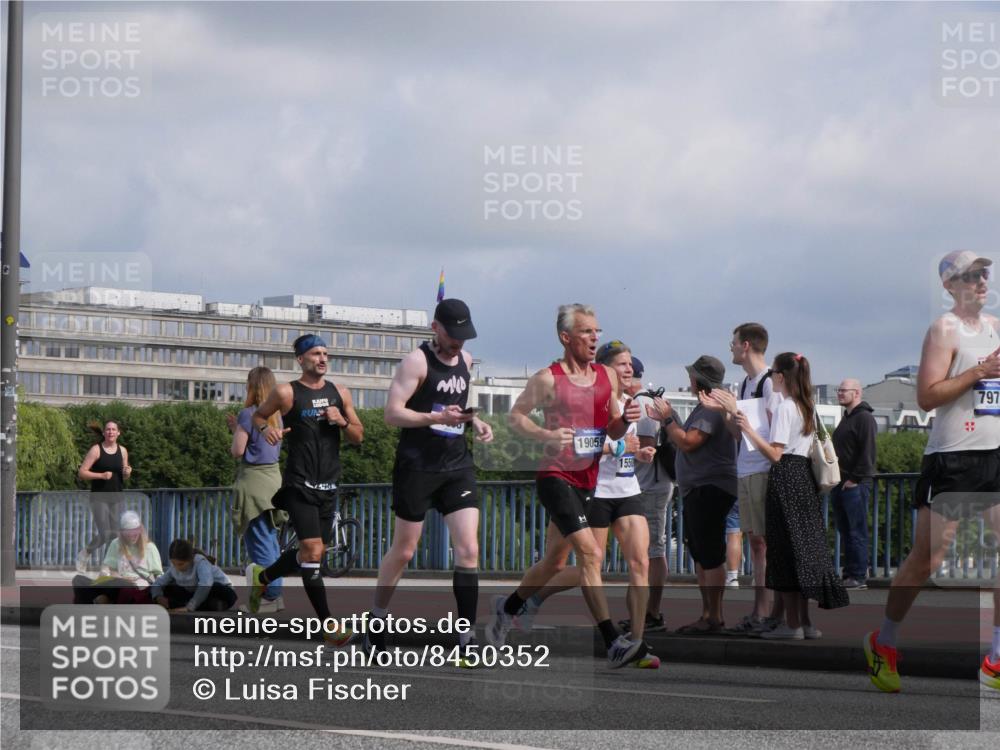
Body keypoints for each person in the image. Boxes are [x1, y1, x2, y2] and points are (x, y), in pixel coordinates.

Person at [864, 251, 1000, 693]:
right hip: (952, 458)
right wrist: (980, 371)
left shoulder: (997, 327)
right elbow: (927, 396)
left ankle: (996, 659)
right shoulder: (944, 329)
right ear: (950, 286)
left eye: (984, 273)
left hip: (994, 454)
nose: (981, 280)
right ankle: (884, 641)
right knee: (927, 560)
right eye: (971, 275)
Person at [485, 304, 645, 668]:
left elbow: (612, 430)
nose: (594, 339)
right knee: (591, 555)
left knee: (554, 562)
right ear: (566, 337)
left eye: (596, 332)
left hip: (588, 479)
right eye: (587, 332)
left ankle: (505, 608)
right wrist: (546, 435)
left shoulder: (606, 376)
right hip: (555, 476)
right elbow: (516, 416)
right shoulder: (548, 378)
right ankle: (612, 642)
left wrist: (626, 420)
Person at [513, 342, 660, 669]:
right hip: (594, 490)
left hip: (626, 489)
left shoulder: (632, 405)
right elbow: (583, 442)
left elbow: (625, 442)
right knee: (589, 566)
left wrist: (639, 453)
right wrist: (621, 445)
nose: (628, 372)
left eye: (631, 367)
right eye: (621, 365)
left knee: (640, 563)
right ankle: (531, 599)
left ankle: (636, 643)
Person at [366, 299, 493, 664]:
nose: (459, 345)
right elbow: (393, 414)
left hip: (456, 465)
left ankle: (465, 638)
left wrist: (474, 421)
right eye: (453, 337)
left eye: (464, 338)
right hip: (417, 466)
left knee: (468, 550)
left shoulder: (466, 362)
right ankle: (376, 620)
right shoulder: (416, 362)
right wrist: (435, 417)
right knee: (405, 550)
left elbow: (458, 408)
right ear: (436, 328)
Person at [246, 333, 364, 646]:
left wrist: (341, 421)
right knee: (312, 553)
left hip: (329, 485)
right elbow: (259, 415)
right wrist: (266, 431)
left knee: (309, 554)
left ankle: (263, 577)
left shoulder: (340, 392)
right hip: (298, 484)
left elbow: (358, 435)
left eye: (326, 353)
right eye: (315, 354)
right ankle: (330, 628)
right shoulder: (286, 392)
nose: (323, 358)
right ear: (301, 359)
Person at [729, 352, 849, 640]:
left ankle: (792, 624)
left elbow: (775, 453)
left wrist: (748, 430)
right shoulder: (807, 406)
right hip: (804, 478)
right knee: (804, 550)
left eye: (773, 374)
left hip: (785, 479)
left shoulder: (785, 408)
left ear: (780, 376)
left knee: (785, 552)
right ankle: (805, 622)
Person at [702, 323, 784, 635]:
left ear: (746, 345)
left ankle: (768, 611)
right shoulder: (747, 384)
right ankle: (761, 610)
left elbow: (776, 430)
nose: (731, 347)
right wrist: (726, 412)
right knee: (757, 543)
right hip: (747, 468)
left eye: (734, 342)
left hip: (763, 468)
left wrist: (738, 417)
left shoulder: (768, 381)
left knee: (765, 543)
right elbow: (738, 433)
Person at [646, 356, 737, 634]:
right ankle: (709, 614)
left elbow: (688, 442)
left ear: (700, 379)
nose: (689, 380)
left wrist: (668, 417)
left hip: (709, 487)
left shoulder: (711, 407)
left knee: (710, 554)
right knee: (702, 552)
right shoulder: (708, 405)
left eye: (692, 376)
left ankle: (714, 616)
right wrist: (668, 421)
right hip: (701, 487)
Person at [619, 356, 674, 634]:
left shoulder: (640, 403)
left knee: (652, 550)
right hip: (650, 484)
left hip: (649, 485)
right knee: (649, 550)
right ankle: (645, 613)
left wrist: (618, 447)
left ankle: (651, 613)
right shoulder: (647, 399)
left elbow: (649, 447)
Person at [228, 366, 286, 613]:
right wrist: (237, 429)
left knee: (259, 543)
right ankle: (275, 596)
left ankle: (269, 597)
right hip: (274, 481)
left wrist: (236, 432)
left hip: (253, 484)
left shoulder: (248, 414)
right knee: (271, 541)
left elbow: (238, 451)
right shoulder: (279, 415)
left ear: (252, 386)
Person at [831, 378, 877, 590]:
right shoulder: (847, 418)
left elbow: (867, 453)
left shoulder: (864, 418)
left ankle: (858, 575)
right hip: (841, 484)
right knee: (846, 530)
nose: (839, 393)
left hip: (854, 484)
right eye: (839, 390)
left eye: (844, 390)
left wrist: (854, 480)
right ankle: (850, 573)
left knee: (856, 531)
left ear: (857, 393)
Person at [76, 421, 132, 573]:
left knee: (116, 534)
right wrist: (100, 475)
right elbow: (82, 472)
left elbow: (124, 474)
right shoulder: (96, 450)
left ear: (118, 433)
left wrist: (127, 472)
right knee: (105, 532)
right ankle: (85, 553)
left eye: (114, 429)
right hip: (99, 497)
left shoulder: (123, 451)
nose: (111, 432)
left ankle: (107, 566)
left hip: (117, 496)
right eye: (108, 429)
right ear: (103, 433)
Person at [73, 510, 163, 605]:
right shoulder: (116, 543)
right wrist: (104, 574)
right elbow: (107, 567)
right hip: (115, 583)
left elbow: (159, 575)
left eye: (135, 533)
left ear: (140, 530)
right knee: (78, 580)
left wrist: (158, 593)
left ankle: (98, 600)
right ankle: (100, 600)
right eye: (128, 534)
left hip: (135, 586)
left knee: (123, 587)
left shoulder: (150, 548)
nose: (132, 537)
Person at [152, 539, 237, 612]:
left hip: (222, 591)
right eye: (174, 564)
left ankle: (196, 605)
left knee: (213, 587)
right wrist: (158, 596)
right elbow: (158, 582)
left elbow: (206, 584)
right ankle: (208, 605)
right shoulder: (174, 568)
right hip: (196, 593)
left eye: (181, 564)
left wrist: (190, 607)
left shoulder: (200, 562)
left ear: (190, 559)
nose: (177, 568)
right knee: (169, 588)